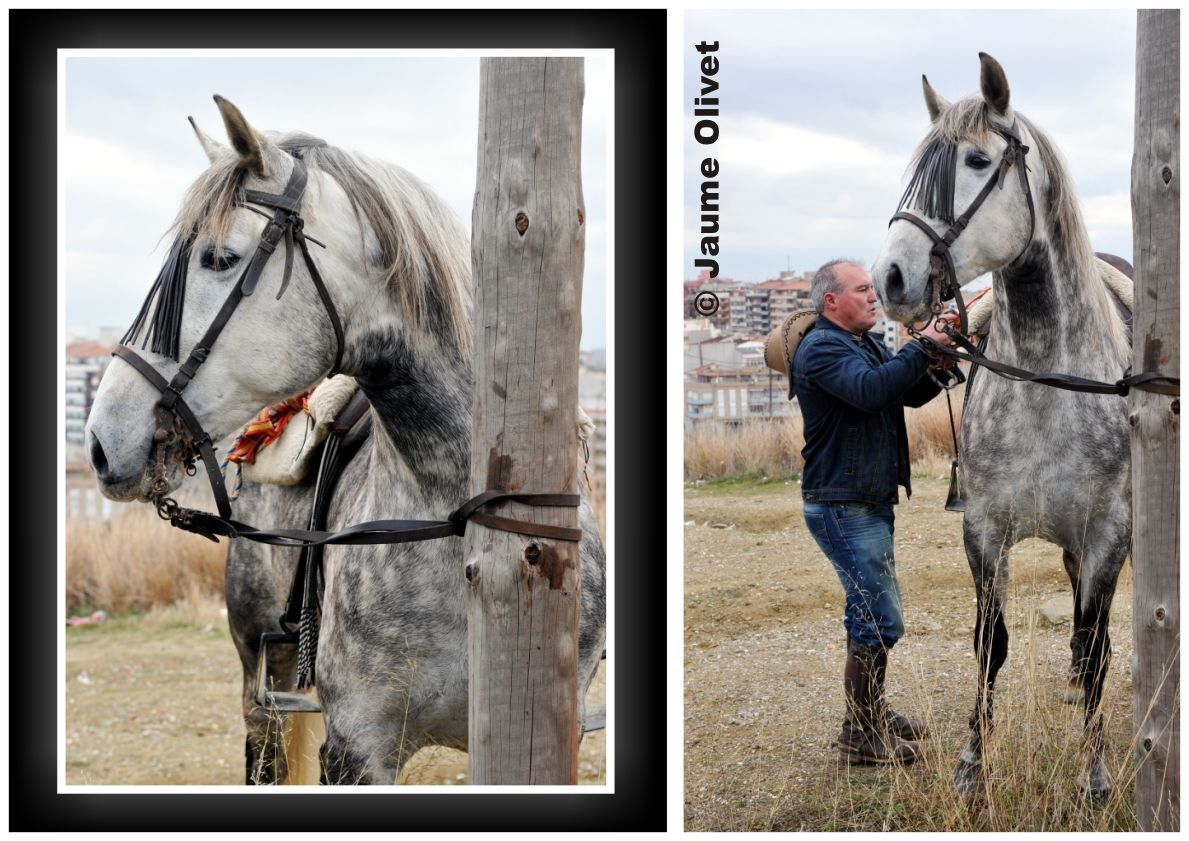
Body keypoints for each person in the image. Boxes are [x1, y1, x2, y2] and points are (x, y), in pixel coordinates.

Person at [792, 258, 954, 765]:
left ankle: (868, 716)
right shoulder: (821, 348)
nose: (873, 297)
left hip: (864, 498)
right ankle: (860, 739)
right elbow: (868, 392)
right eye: (862, 289)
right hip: (842, 503)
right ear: (831, 301)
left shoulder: (860, 344)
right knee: (880, 619)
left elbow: (901, 392)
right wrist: (922, 345)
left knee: (866, 613)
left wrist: (940, 361)